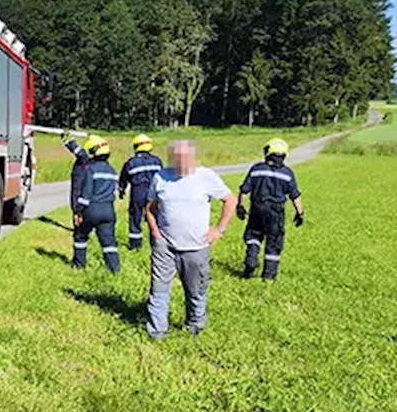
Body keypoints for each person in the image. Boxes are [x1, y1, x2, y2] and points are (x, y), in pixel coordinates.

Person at [144, 140, 236, 339]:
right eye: (177, 157)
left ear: (193, 158)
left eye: (185, 158)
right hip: (165, 246)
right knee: (158, 290)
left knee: (196, 291)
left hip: (196, 247)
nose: (181, 162)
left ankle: (194, 328)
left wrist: (219, 230)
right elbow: (150, 208)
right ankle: (157, 333)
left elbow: (230, 200)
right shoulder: (160, 177)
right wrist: (155, 233)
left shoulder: (206, 177)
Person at [236, 138, 304, 281]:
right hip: (276, 213)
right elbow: (295, 195)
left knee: (253, 236)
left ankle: (251, 261)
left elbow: (244, 190)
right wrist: (300, 213)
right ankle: (268, 277)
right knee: (274, 242)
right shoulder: (287, 173)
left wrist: (240, 206)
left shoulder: (256, 169)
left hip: (257, 209)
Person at [72, 136, 121, 274]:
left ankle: (79, 265)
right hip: (108, 210)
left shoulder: (90, 169)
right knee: (109, 242)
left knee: (80, 236)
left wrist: (78, 211)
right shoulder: (112, 170)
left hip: (92, 209)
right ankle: (114, 269)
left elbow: (86, 194)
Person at [117, 134, 163, 251]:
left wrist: (121, 190)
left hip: (137, 191)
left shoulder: (131, 162)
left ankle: (135, 245)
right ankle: (156, 243)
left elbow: (123, 178)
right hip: (154, 191)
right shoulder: (157, 161)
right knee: (154, 217)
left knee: (135, 217)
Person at [62, 131, 92, 218]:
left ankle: (78, 224)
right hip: (81, 184)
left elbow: (78, 151)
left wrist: (68, 141)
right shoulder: (91, 160)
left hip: (79, 184)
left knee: (77, 203)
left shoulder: (84, 157)